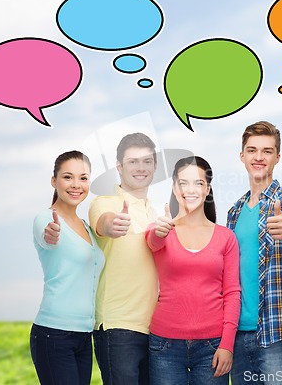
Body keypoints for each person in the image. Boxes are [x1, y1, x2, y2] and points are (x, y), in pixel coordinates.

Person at [227, 121, 282, 385]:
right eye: (252, 150)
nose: (259, 157)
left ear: (277, 157)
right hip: (238, 334)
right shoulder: (235, 211)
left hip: (279, 331)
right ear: (242, 156)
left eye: (267, 151)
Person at [145, 156, 241, 385]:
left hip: (212, 346)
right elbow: (152, 241)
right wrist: (159, 231)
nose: (190, 190)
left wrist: (227, 344)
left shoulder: (226, 237)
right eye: (183, 183)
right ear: (175, 188)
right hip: (164, 345)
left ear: (207, 189)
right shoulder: (161, 229)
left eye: (198, 183)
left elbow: (232, 293)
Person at [89, 132, 159, 385]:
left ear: (155, 166)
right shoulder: (104, 202)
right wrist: (113, 224)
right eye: (132, 161)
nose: (141, 168)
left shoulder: (156, 213)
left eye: (147, 161)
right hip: (119, 328)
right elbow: (104, 223)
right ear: (119, 166)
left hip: (156, 329)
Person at [30, 150, 105, 385]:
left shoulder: (86, 226)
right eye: (67, 177)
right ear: (54, 181)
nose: (76, 185)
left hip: (84, 335)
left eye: (83, 178)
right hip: (54, 333)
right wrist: (50, 235)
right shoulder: (45, 219)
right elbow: (47, 236)